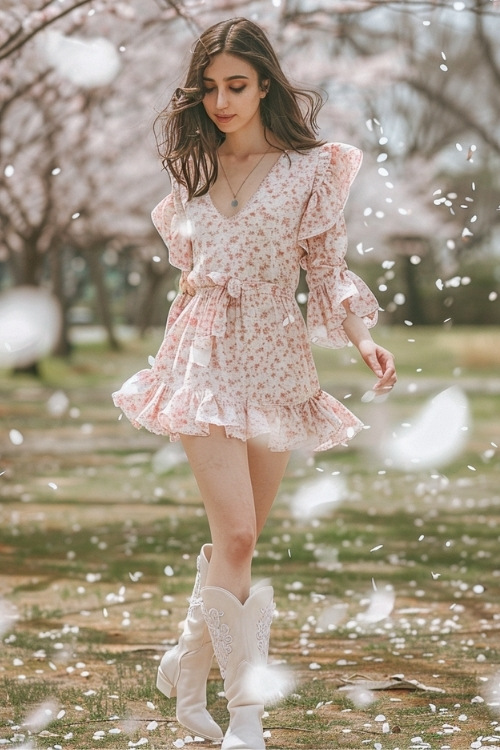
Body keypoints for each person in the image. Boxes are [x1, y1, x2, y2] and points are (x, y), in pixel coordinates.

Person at [112, 16, 397, 750]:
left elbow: (327, 272)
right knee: (236, 532)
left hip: (275, 358)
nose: (221, 101)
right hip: (201, 356)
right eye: (208, 88)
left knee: (242, 543)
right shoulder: (193, 168)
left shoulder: (313, 169)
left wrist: (363, 340)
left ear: (265, 83)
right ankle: (246, 716)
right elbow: (187, 275)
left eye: (236, 85)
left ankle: (184, 662)